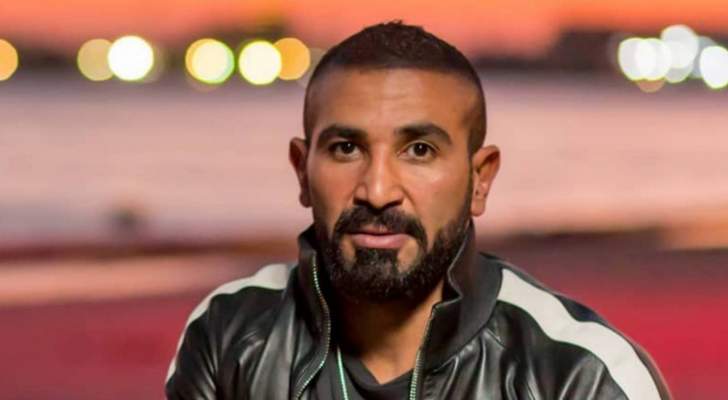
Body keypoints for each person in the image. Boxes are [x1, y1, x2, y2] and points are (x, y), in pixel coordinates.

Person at [165, 21, 671, 399]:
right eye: (346, 148)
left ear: (480, 179)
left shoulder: (581, 376)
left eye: (420, 150)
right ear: (302, 171)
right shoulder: (231, 335)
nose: (378, 190)